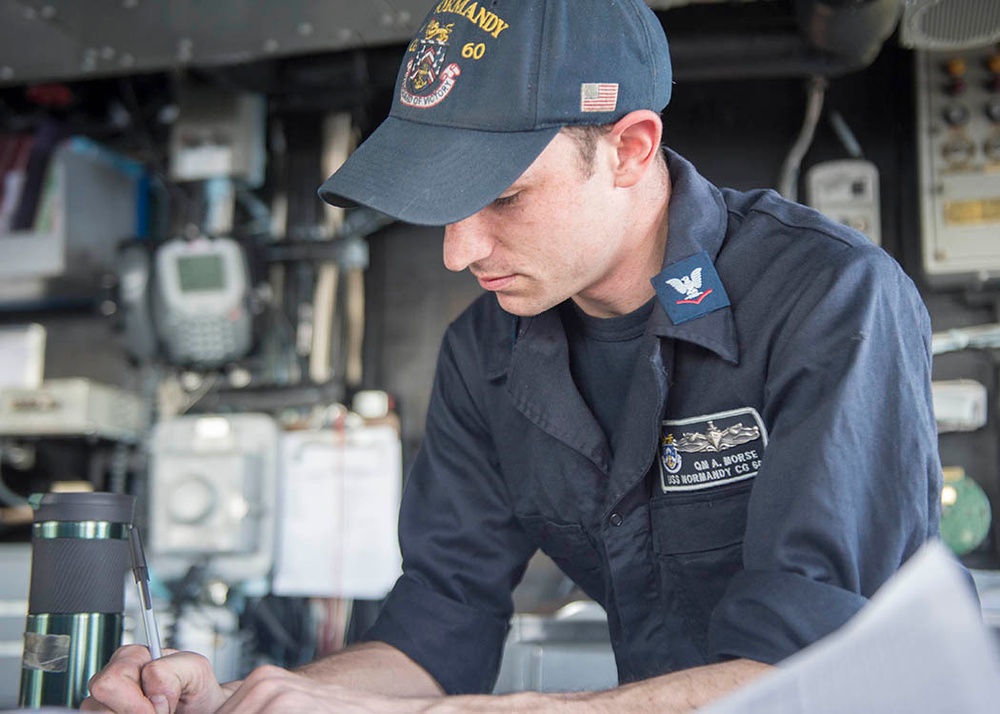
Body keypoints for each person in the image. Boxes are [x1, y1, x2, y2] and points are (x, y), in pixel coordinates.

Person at [83, 0, 941, 712]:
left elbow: (807, 670)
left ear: (629, 148)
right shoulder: (484, 352)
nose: (458, 252)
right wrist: (260, 698)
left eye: (502, 196)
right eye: (444, 205)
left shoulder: (829, 301)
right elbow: (439, 626)